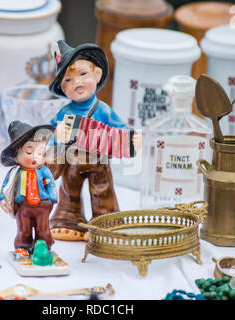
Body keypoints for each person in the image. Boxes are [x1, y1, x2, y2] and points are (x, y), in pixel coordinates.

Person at [46, 40, 142, 241]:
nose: (76, 83)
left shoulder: (103, 110)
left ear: (96, 75)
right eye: (68, 80)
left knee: (102, 190)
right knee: (68, 190)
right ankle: (68, 218)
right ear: (63, 88)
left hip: (98, 160)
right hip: (71, 160)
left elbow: (121, 129)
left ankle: (105, 222)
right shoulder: (64, 113)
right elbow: (49, 133)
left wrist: (132, 138)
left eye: (83, 75)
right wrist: (57, 135)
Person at [0, 120, 57, 253]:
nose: (35, 158)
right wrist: (3, 199)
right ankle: (23, 245)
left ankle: (42, 245)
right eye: (29, 153)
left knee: (42, 227)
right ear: (16, 157)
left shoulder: (44, 171)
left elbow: (51, 185)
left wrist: (51, 198)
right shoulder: (15, 173)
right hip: (22, 205)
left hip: (43, 204)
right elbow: (6, 186)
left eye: (40, 152)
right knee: (23, 228)